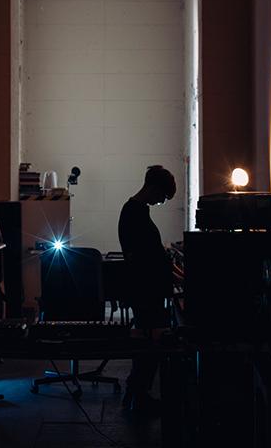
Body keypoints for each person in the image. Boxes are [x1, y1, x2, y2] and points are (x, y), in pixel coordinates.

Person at [117, 165, 176, 415]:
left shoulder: (137, 211)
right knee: (150, 345)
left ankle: (137, 392)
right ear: (152, 188)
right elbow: (142, 257)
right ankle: (139, 396)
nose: (160, 202)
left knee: (148, 344)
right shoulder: (134, 213)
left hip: (146, 288)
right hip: (145, 290)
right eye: (162, 197)